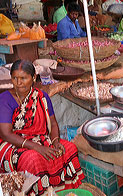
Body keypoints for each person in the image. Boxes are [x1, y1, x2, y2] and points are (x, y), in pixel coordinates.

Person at [0, 60, 84, 195]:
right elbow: (5, 134)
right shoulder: (5, 99)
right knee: (33, 159)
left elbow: (53, 123)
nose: (18, 83)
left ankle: (64, 192)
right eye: (14, 78)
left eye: (23, 78)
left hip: (40, 138)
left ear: (33, 78)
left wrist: (56, 141)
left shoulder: (41, 96)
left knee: (68, 148)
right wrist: (36, 147)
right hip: (13, 143)